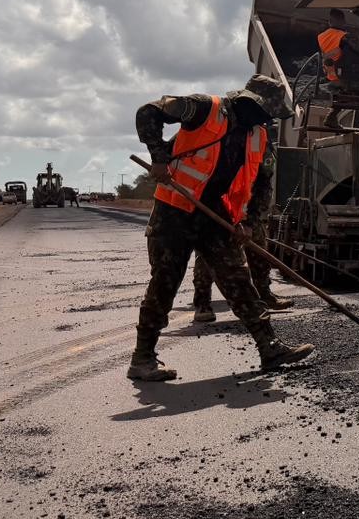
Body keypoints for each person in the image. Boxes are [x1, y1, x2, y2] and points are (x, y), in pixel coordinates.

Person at [130, 74, 315, 381]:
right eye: (266, 112)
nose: (268, 119)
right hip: (174, 209)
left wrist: (244, 222)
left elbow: (253, 184)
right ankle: (142, 359)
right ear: (251, 102)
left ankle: (270, 348)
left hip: (215, 214)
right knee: (165, 282)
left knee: (238, 278)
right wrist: (159, 157)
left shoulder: (258, 135)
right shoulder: (203, 109)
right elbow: (147, 111)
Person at [191, 126, 292, 322]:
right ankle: (202, 304)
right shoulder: (216, 133)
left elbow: (264, 184)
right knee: (207, 258)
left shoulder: (260, 139)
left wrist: (251, 221)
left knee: (260, 252)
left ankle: (265, 295)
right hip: (215, 209)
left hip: (246, 210)